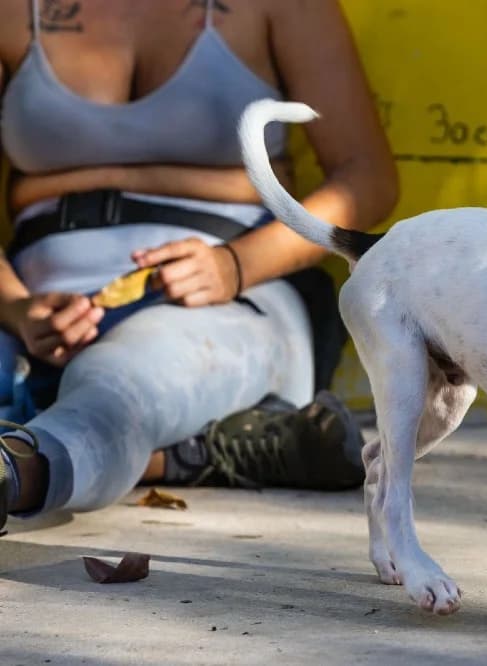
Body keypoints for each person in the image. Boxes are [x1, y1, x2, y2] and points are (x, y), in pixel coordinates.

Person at [0, 0, 398, 530]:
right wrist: (15, 304)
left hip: (232, 287)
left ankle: (19, 473)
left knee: (121, 384)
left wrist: (235, 265)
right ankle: (203, 453)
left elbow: (367, 178)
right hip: (33, 299)